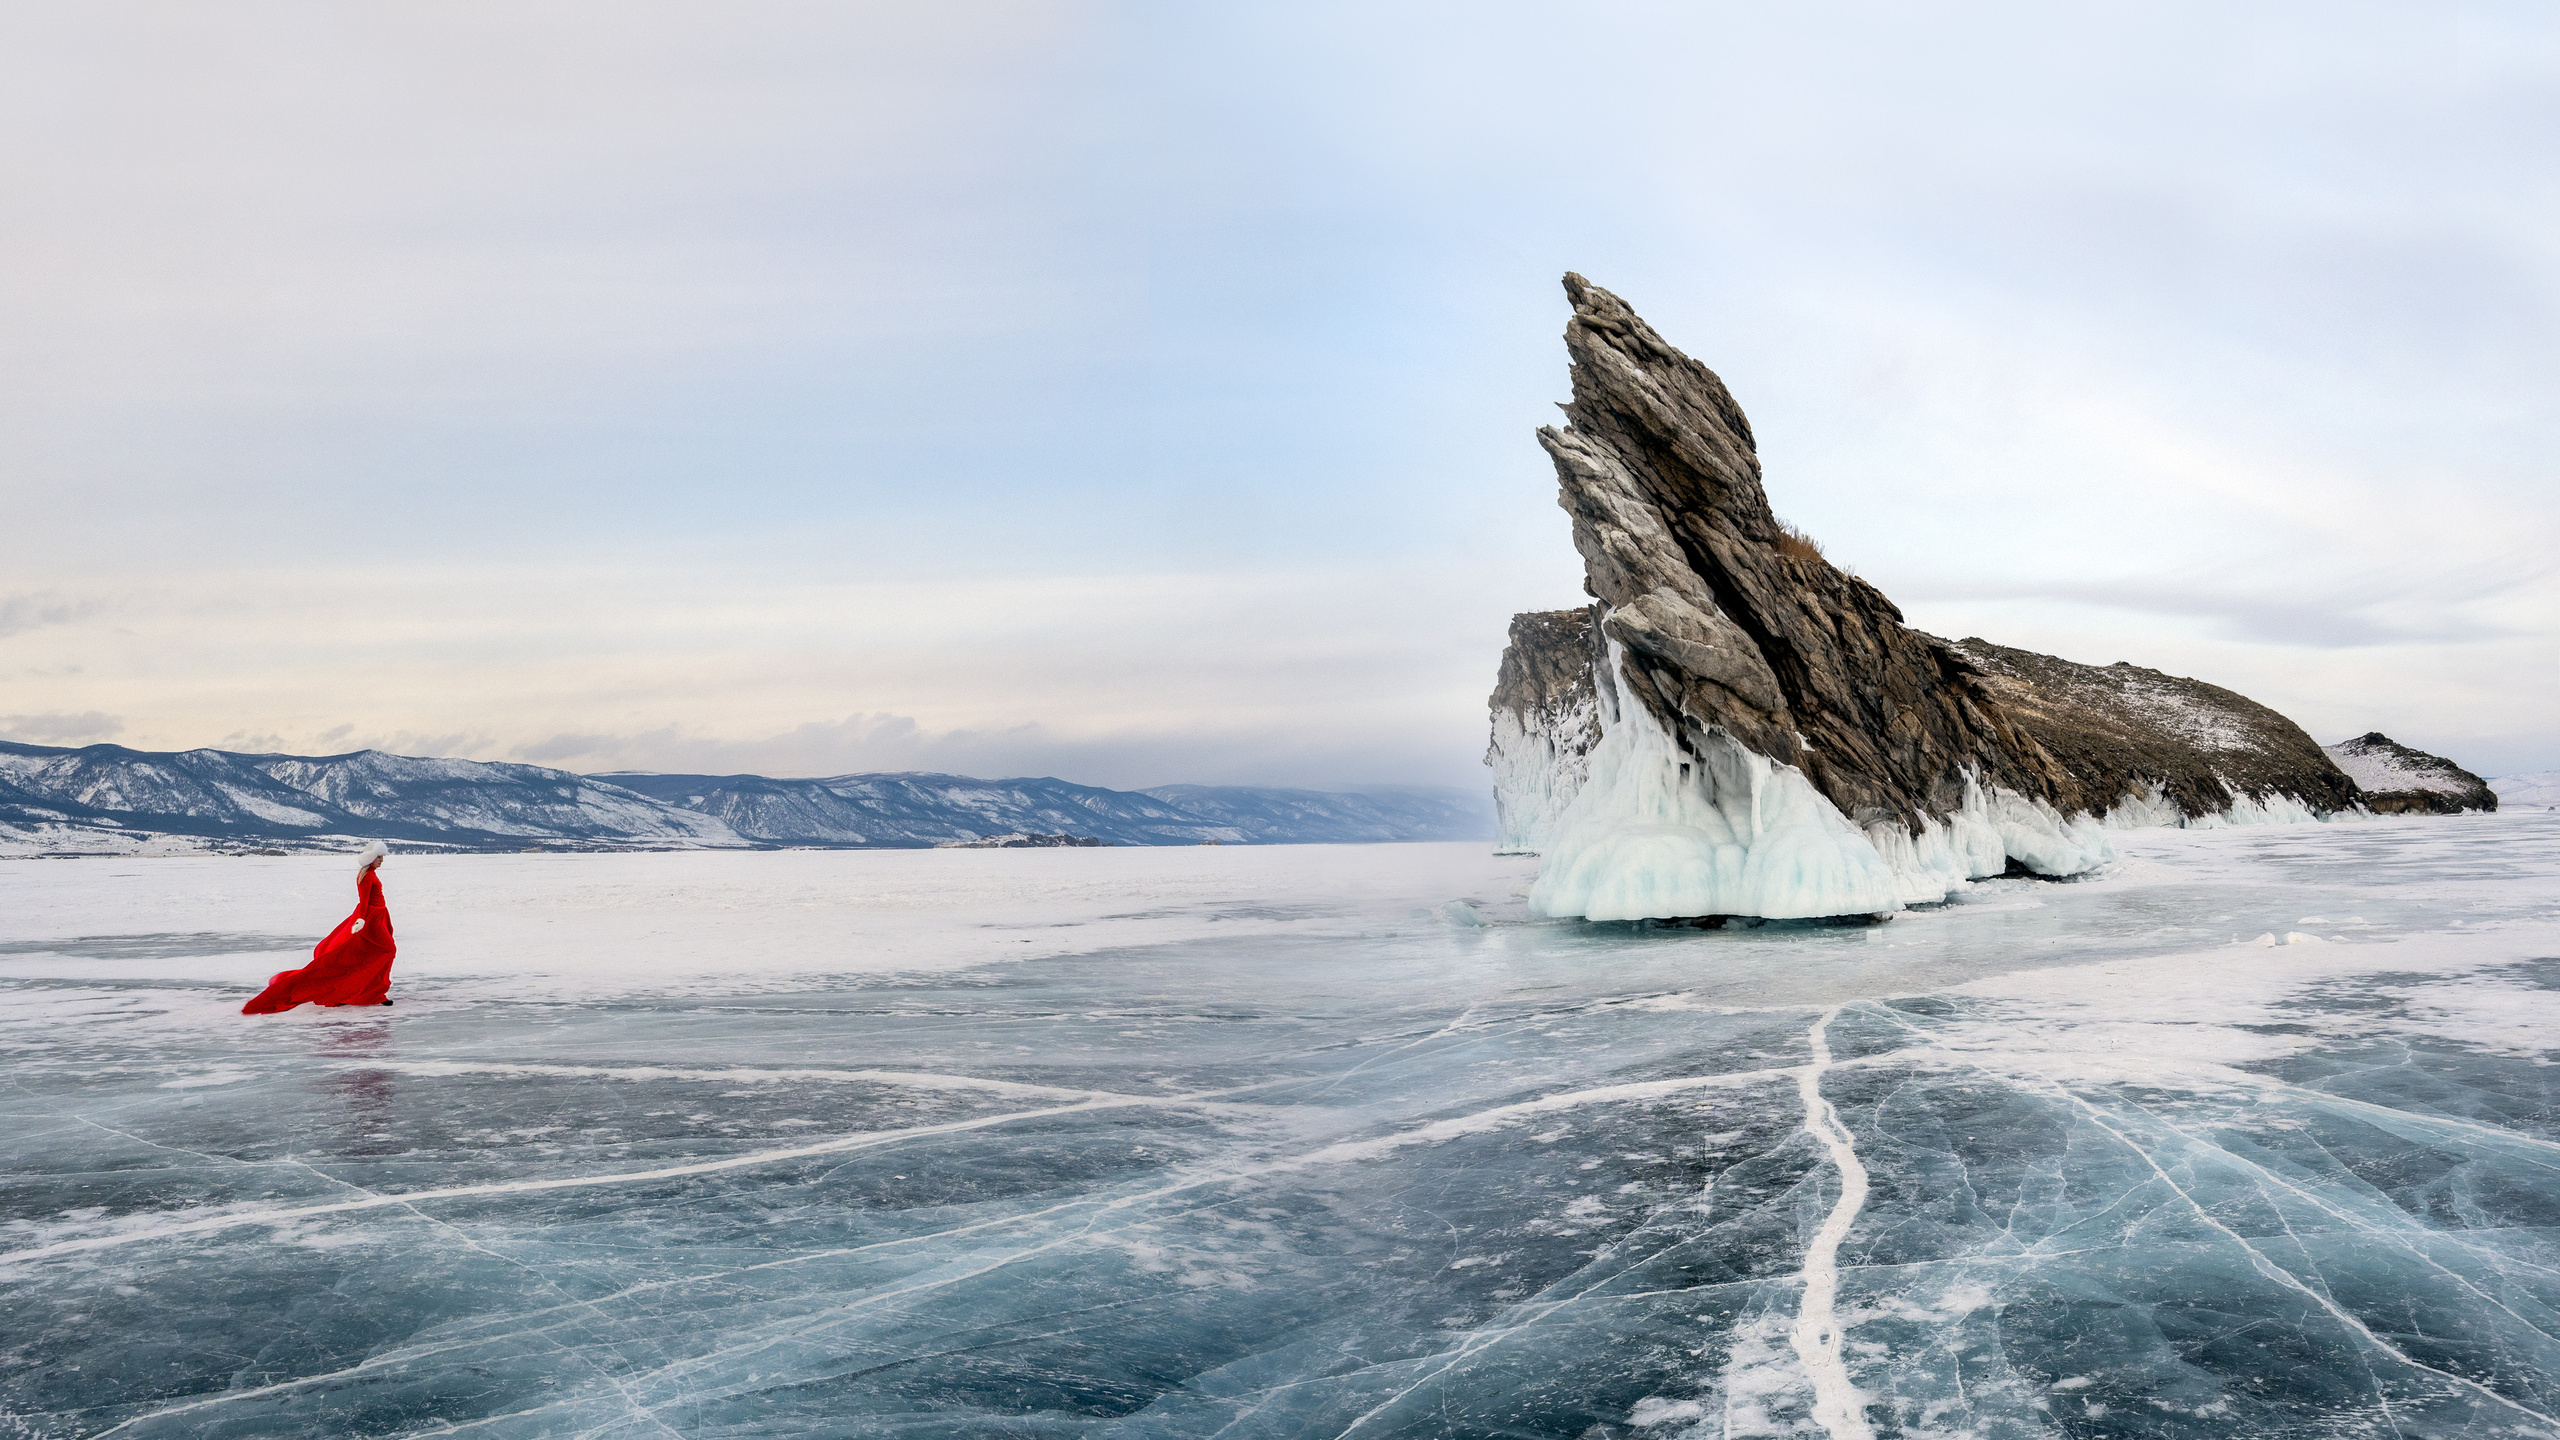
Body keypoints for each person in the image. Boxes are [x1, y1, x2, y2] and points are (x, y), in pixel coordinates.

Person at [243, 841, 399, 1014]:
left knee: (374, 954)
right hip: (371, 919)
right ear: (370, 858)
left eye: (382, 857)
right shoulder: (366, 876)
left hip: (379, 916)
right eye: (379, 857)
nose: (381, 860)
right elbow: (363, 901)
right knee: (387, 950)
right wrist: (361, 920)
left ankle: (373, 992)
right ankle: (363, 991)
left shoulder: (371, 874)